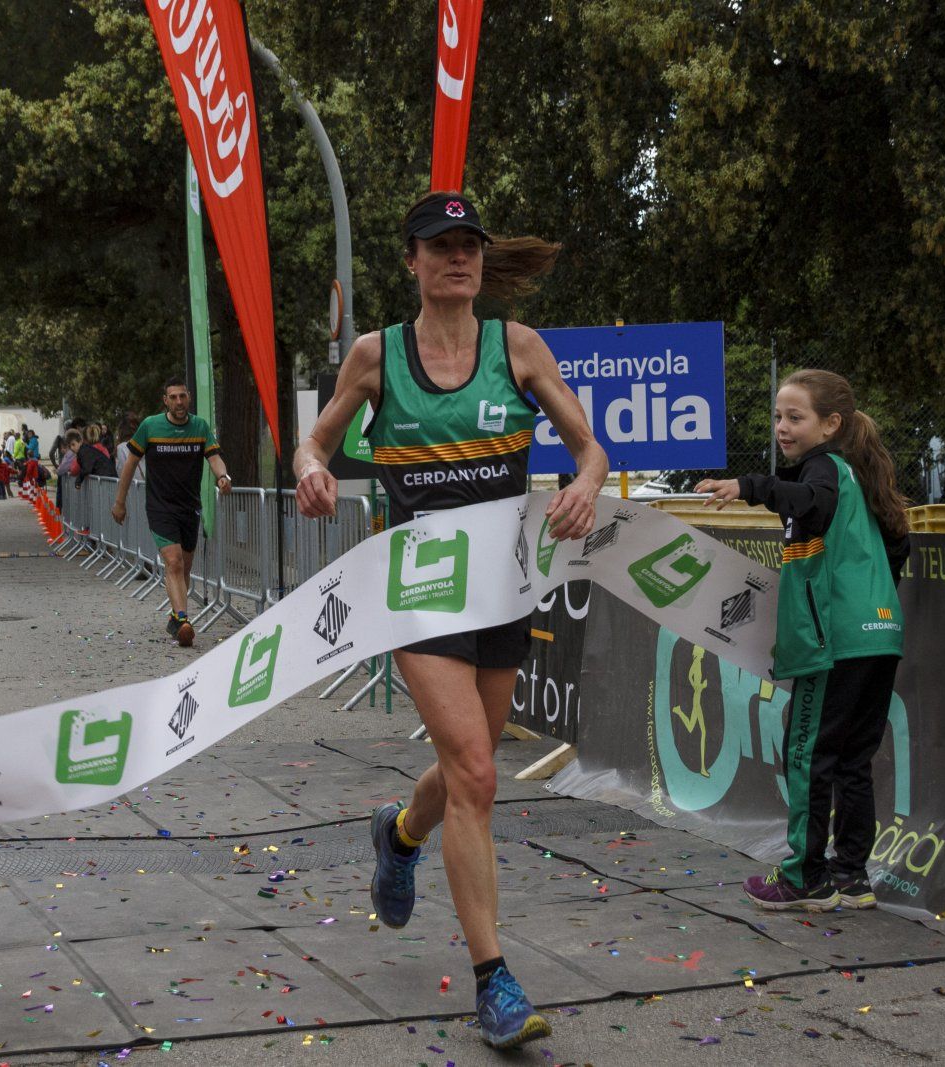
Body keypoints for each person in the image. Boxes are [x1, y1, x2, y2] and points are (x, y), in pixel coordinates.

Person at [293, 192, 605, 1049]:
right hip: (419, 591)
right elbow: (312, 444)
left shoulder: (517, 347)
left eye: (469, 246)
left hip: (503, 586)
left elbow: (590, 448)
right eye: (440, 247)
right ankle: (493, 981)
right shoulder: (376, 355)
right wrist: (310, 469)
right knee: (476, 768)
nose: (458, 259)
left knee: (467, 771)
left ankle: (398, 834)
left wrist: (584, 483)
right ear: (413, 263)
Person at [696, 370, 910, 912]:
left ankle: (804, 877)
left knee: (808, 754)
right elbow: (893, 547)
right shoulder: (857, 478)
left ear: (830, 424)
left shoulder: (824, 471)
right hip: (878, 636)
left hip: (835, 642)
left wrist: (747, 487)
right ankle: (852, 876)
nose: (782, 428)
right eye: (777, 416)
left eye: (796, 417)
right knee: (852, 762)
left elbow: (809, 502)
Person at [113, 379, 234, 648]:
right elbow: (131, 464)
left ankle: (175, 618)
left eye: (183, 396)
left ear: (189, 398)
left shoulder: (200, 427)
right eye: (173, 397)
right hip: (160, 506)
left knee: (185, 566)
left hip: (189, 506)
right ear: (165, 400)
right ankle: (182, 620)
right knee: (174, 562)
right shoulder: (150, 426)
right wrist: (120, 502)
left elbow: (214, 457)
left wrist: (222, 477)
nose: (179, 402)